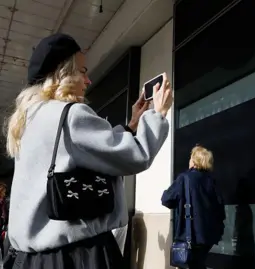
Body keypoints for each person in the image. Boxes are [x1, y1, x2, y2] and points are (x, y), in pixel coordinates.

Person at [3, 33, 173, 269]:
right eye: (82, 71)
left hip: (29, 258)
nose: (88, 80)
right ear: (64, 73)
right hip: (76, 256)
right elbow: (137, 156)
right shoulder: (70, 115)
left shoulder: (26, 119)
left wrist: (130, 126)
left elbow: (82, 150)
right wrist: (158, 114)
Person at [161, 145, 225, 269]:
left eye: (191, 157)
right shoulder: (211, 180)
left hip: (190, 235)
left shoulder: (185, 178)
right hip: (208, 237)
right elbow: (220, 210)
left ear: (195, 161)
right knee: (199, 264)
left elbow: (167, 200)